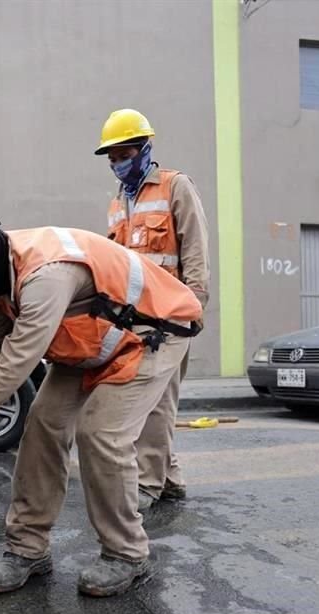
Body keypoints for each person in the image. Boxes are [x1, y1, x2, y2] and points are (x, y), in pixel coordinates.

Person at [0, 194, 201, 597]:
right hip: (92, 344)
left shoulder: (46, 275)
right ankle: (27, 550)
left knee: (100, 435)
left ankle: (126, 554)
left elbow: (13, 365)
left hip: (150, 337)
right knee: (42, 429)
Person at [94, 108, 210, 511]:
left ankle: (147, 483)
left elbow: (195, 247)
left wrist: (195, 306)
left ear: (145, 149)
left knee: (158, 403)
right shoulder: (116, 203)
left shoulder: (175, 187)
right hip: (134, 319)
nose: (117, 163)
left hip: (172, 316)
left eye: (123, 154)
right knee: (151, 402)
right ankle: (171, 477)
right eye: (111, 158)